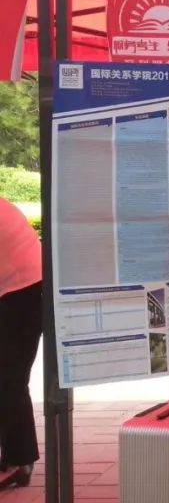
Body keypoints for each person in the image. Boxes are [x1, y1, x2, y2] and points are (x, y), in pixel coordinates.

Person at [0, 198, 43, 489]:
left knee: (9, 379)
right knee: (10, 379)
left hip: (21, 294)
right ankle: (16, 457)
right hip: (27, 291)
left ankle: (20, 460)